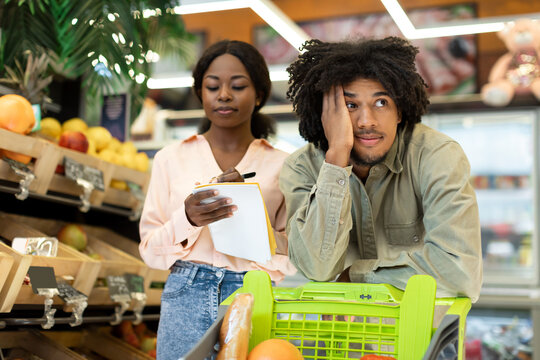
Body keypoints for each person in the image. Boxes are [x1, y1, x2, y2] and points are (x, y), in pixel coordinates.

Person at [279, 37, 482, 302]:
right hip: (340, 338)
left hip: (423, 336)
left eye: (381, 102)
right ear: (326, 114)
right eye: (350, 106)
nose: (367, 121)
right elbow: (316, 267)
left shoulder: (435, 155)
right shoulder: (302, 167)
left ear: (400, 111)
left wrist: (357, 275)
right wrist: (337, 157)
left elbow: (460, 272)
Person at [139, 39, 296, 360]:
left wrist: (247, 210)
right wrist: (188, 219)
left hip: (254, 292)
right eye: (213, 86)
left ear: (260, 95)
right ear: (200, 93)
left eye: (238, 86)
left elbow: (294, 253)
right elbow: (150, 251)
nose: (224, 94)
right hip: (185, 291)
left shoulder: (284, 165)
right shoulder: (170, 158)